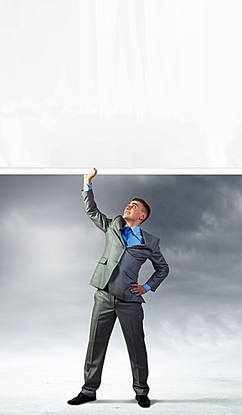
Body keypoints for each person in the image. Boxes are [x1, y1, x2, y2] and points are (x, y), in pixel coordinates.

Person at [68, 168, 170, 409]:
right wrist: (87, 183)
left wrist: (146, 287)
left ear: (142, 215)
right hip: (103, 295)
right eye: (128, 204)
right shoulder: (113, 225)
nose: (128, 207)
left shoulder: (151, 242)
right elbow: (91, 211)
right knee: (95, 345)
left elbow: (163, 268)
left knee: (136, 347)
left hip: (129, 301)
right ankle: (88, 390)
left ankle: (141, 391)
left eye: (134, 205)